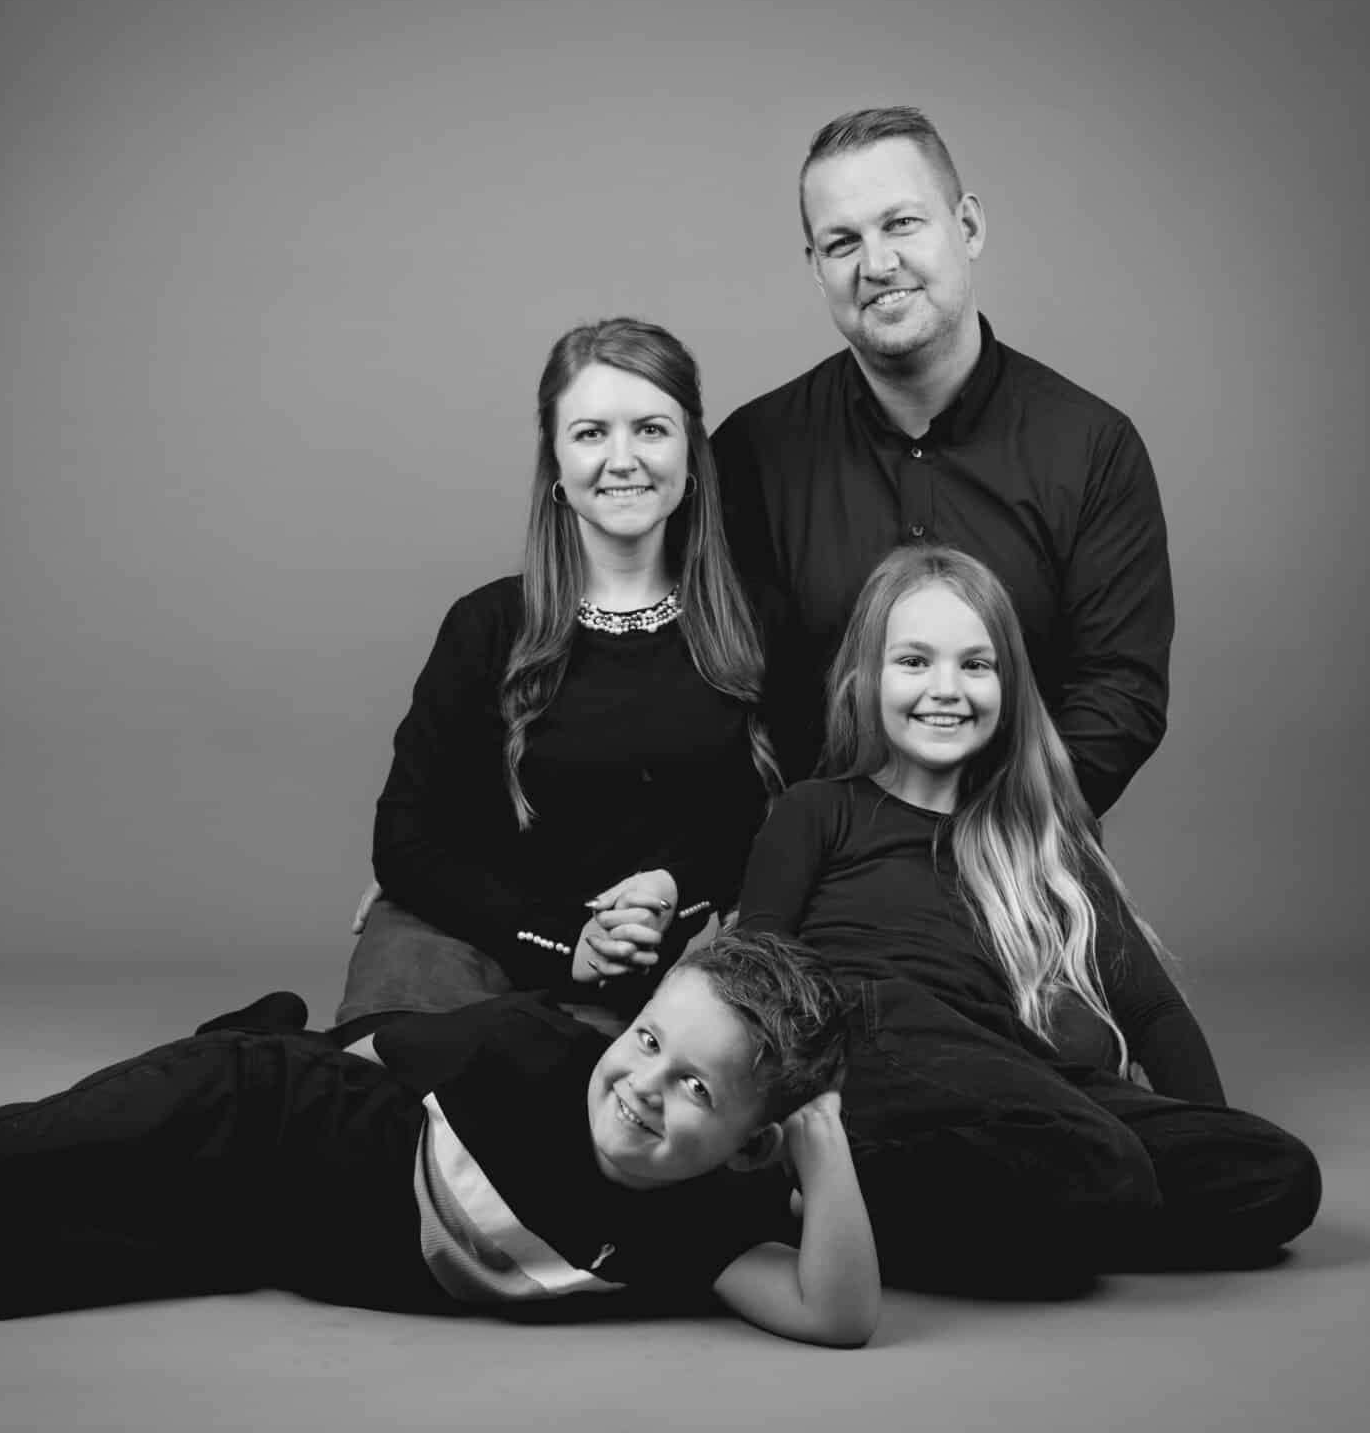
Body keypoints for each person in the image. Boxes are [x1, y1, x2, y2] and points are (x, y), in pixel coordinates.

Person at [0, 933, 880, 1347]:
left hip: (262, 1227)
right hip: (265, 1105)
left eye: (694, 1087)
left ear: (750, 1140)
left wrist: (821, 1138)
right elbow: (369, 1048)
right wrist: (272, 1052)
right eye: (645, 1038)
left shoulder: (705, 1229)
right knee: (44, 1147)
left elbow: (836, 1313)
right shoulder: (529, 1048)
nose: (641, 1085)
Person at [736, 546, 1319, 1293]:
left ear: (1009, 687)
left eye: (976, 665)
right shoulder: (820, 810)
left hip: (1008, 1076)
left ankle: (902, 1212)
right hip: (867, 1032)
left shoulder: (1046, 841)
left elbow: (1153, 1012)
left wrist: (1200, 1132)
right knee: (1099, 1164)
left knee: (1277, 1173)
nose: (946, 689)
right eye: (914, 661)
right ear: (865, 678)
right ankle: (841, 1194)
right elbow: (753, 973)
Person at [335, 318, 792, 1044]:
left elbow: (797, 819)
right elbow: (405, 839)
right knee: (383, 1088)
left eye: (651, 429)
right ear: (555, 457)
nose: (622, 459)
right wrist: (559, 941)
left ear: (691, 452)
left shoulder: (761, 623)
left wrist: (679, 890)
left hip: (660, 962)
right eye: (590, 433)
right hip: (476, 942)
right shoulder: (487, 625)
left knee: (572, 1097)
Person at [713, 106, 1172, 816]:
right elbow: (726, 694)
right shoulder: (750, 454)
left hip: (1020, 857)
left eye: (901, 223)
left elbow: (1121, 694)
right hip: (814, 868)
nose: (877, 265)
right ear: (816, 269)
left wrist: (989, 838)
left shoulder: (1091, 447)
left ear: (969, 227)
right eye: (842, 242)